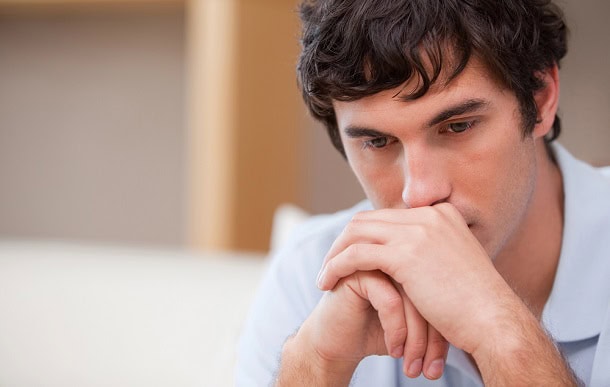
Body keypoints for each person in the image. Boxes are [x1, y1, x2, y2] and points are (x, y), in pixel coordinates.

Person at [236, 0, 610, 385]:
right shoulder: (309, 273)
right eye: (378, 141)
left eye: (459, 126)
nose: (420, 194)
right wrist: (318, 363)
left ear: (541, 98)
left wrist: (502, 331)